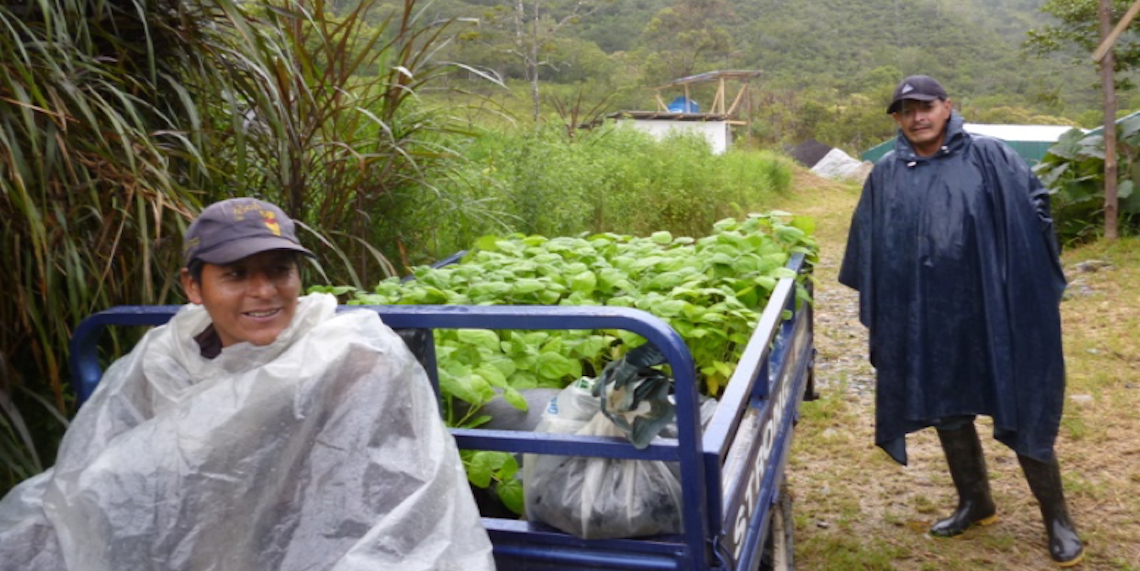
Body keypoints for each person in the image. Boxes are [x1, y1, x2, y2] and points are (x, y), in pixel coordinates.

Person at [0, 197, 496, 571]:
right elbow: (113, 474)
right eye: (236, 275)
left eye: (280, 271)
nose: (264, 292)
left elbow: (384, 506)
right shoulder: (162, 360)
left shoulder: (354, 357)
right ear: (193, 286)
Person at [839, 76, 1084, 567]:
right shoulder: (887, 172)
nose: (916, 117)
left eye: (924, 106)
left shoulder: (990, 156)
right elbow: (870, 243)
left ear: (947, 107)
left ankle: (1057, 518)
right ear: (896, 119)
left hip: (995, 309)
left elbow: (1036, 210)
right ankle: (977, 502)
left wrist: (1026, 277)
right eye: (904, 111)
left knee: (1022, 403)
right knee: (947, 406)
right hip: (929, 314)